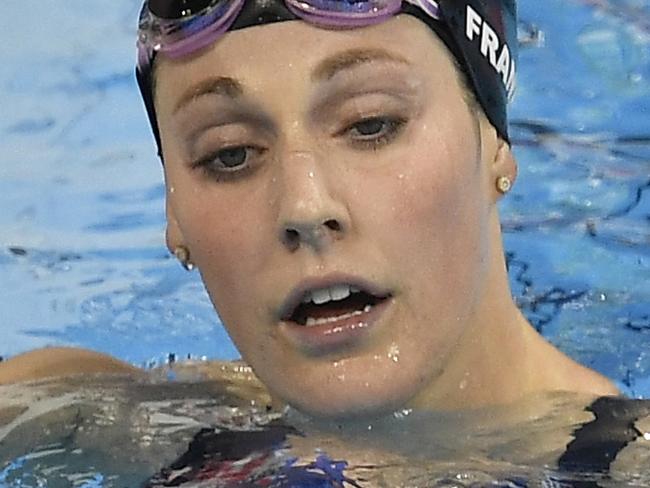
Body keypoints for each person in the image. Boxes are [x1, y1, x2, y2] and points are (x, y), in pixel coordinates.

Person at [0, 0, 619, 419]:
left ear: (495, 149)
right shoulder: (84, 419)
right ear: (175, 215)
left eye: (370, 124)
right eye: (231, 154)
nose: (304, 205)